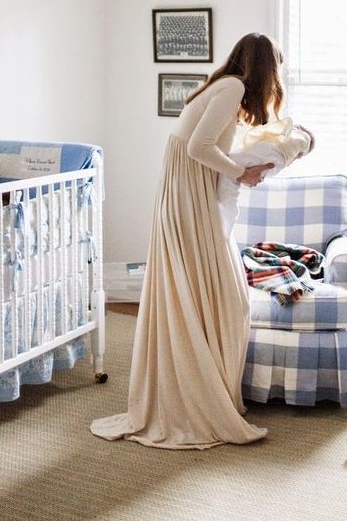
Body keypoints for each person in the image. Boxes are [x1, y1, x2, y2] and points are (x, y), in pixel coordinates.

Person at [90, 33, 294, 450]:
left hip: (188, 191)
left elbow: (206, 147)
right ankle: (198, 395)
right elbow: (200, 146)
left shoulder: (224, 88)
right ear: (264, 69)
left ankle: (209, 385)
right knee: (222, 294)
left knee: (215, 292)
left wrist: (249, 164)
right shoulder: (232, 87)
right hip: (188, 194)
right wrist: (241, 173)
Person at [217, 117, 314, 234]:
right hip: (276, 161)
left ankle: (225, 222)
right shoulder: (288, 141)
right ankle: (227, 222)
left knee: (230, 171)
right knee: (230, 183)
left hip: (274, 155)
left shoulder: (290, 136)